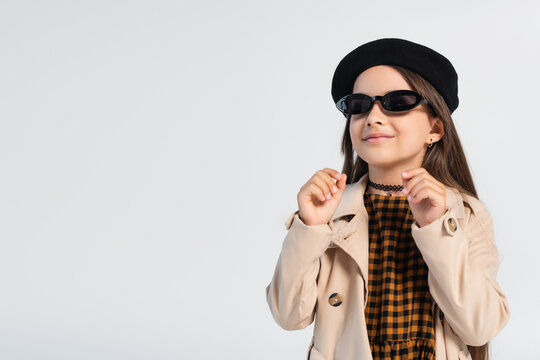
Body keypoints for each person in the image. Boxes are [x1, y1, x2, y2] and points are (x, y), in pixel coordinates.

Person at [265, 38, 510, 360]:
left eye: (399, 102)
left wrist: (436, 227)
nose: (373, 117)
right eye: (359, 105)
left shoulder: (463, 213)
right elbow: (288, 316)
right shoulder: (330, 211)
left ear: (435, 128)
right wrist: (309, 227)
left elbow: (480, 327)